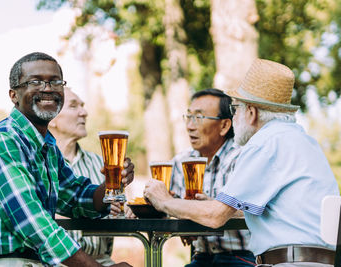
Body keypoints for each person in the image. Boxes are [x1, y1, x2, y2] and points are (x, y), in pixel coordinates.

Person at [144, 58, 340, 267]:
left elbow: (215, 217)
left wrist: (163, 201)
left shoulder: (263, 144)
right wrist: (210, 204)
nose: (234, 116)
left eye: (236, 108)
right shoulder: (302, 140)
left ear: (252, 113)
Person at [0, 52, 133, 267]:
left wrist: (113, 183)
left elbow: (76, 198)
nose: (48, 88)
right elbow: (34, 225)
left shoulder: (46, 145)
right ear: (14, 95)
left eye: (55, 81)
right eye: (35, 81)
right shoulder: (4, 141)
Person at [170, 88, 255, 267]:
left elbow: (253, 211)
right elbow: (170, 204)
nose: (190, 126)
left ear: (224, 126)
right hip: (202, 258)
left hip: (242, 257)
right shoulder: (181, 162)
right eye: (189, 116)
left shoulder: (241, 158)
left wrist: (214, 209)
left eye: (199, 117)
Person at [49, 87, 117, 265]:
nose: (84, 112)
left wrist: (117, 210)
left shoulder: (101, 163)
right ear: (52, 118)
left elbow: (116, 211)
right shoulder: (41, 164)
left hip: (101, 260)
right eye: (73, 106)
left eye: (83, 106)